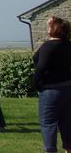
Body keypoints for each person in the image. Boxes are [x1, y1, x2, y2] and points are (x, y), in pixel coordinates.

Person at [33, 15, 71, 153]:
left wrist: (36, 84)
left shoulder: (48, 46)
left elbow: (40, 65)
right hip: (67, 88)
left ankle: (50, 150)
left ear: (52, 30)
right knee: (67, 123)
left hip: (50, 89)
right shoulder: (68, 45)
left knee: (48, 124)